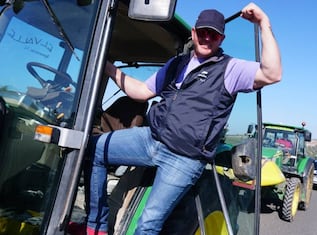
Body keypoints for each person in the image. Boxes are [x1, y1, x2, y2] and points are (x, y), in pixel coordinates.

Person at [85, 3, 282, 235]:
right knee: (93, 149)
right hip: (151, 139)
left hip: (184, 159)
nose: (207, 38)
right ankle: (95, 226)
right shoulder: (176, 64)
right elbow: (141, 91)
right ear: (194, 33)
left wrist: (263, 24)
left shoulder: (230, 68)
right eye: (202, 32)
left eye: (214, 34)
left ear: (221, 39)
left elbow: (272, 73)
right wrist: (107, 67)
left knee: (148, 222)